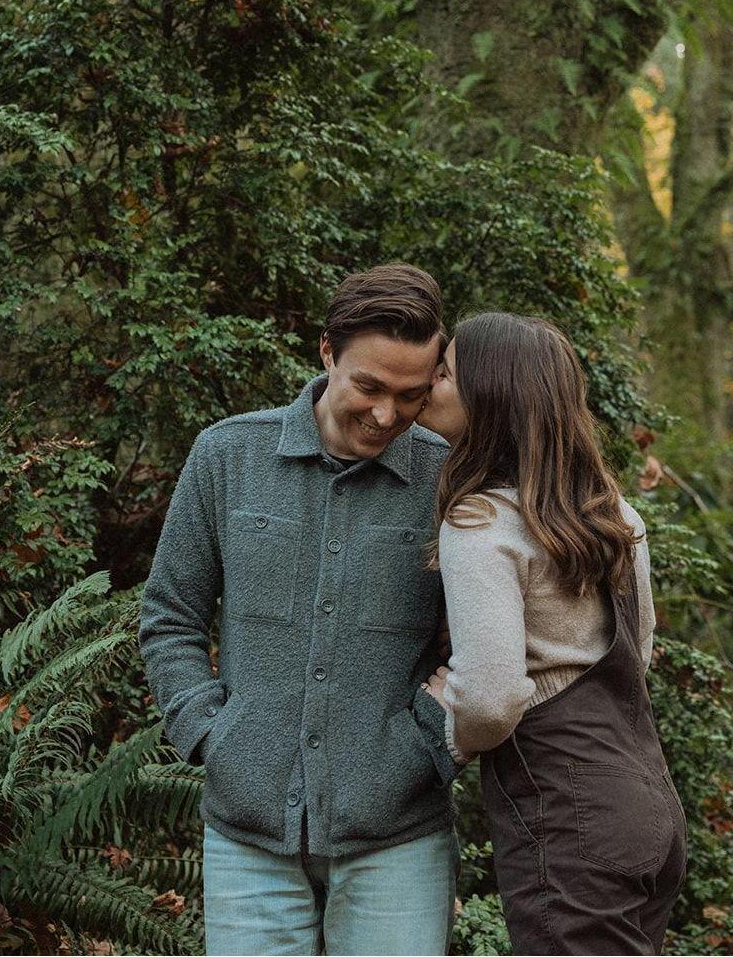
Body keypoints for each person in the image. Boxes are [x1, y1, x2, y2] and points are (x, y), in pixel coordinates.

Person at [138, 263, 459, 956]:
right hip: (247, 833)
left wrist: (426, 741)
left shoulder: (449, 477)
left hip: (399, 837)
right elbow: (170, 615)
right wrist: (212, 736)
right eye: (368, 387)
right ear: (326, 354)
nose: (384, 415)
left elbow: (484, 640)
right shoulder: (228, 456)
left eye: (408, 396)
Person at [418, 312, 686, 956]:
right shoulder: (618, 516)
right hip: (645, 803)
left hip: (568, 820)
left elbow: (492, 698)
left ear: (492, 395)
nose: (430, 381)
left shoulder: (481, 521)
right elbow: (635, 654)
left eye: (447, 371)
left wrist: (444, 721)